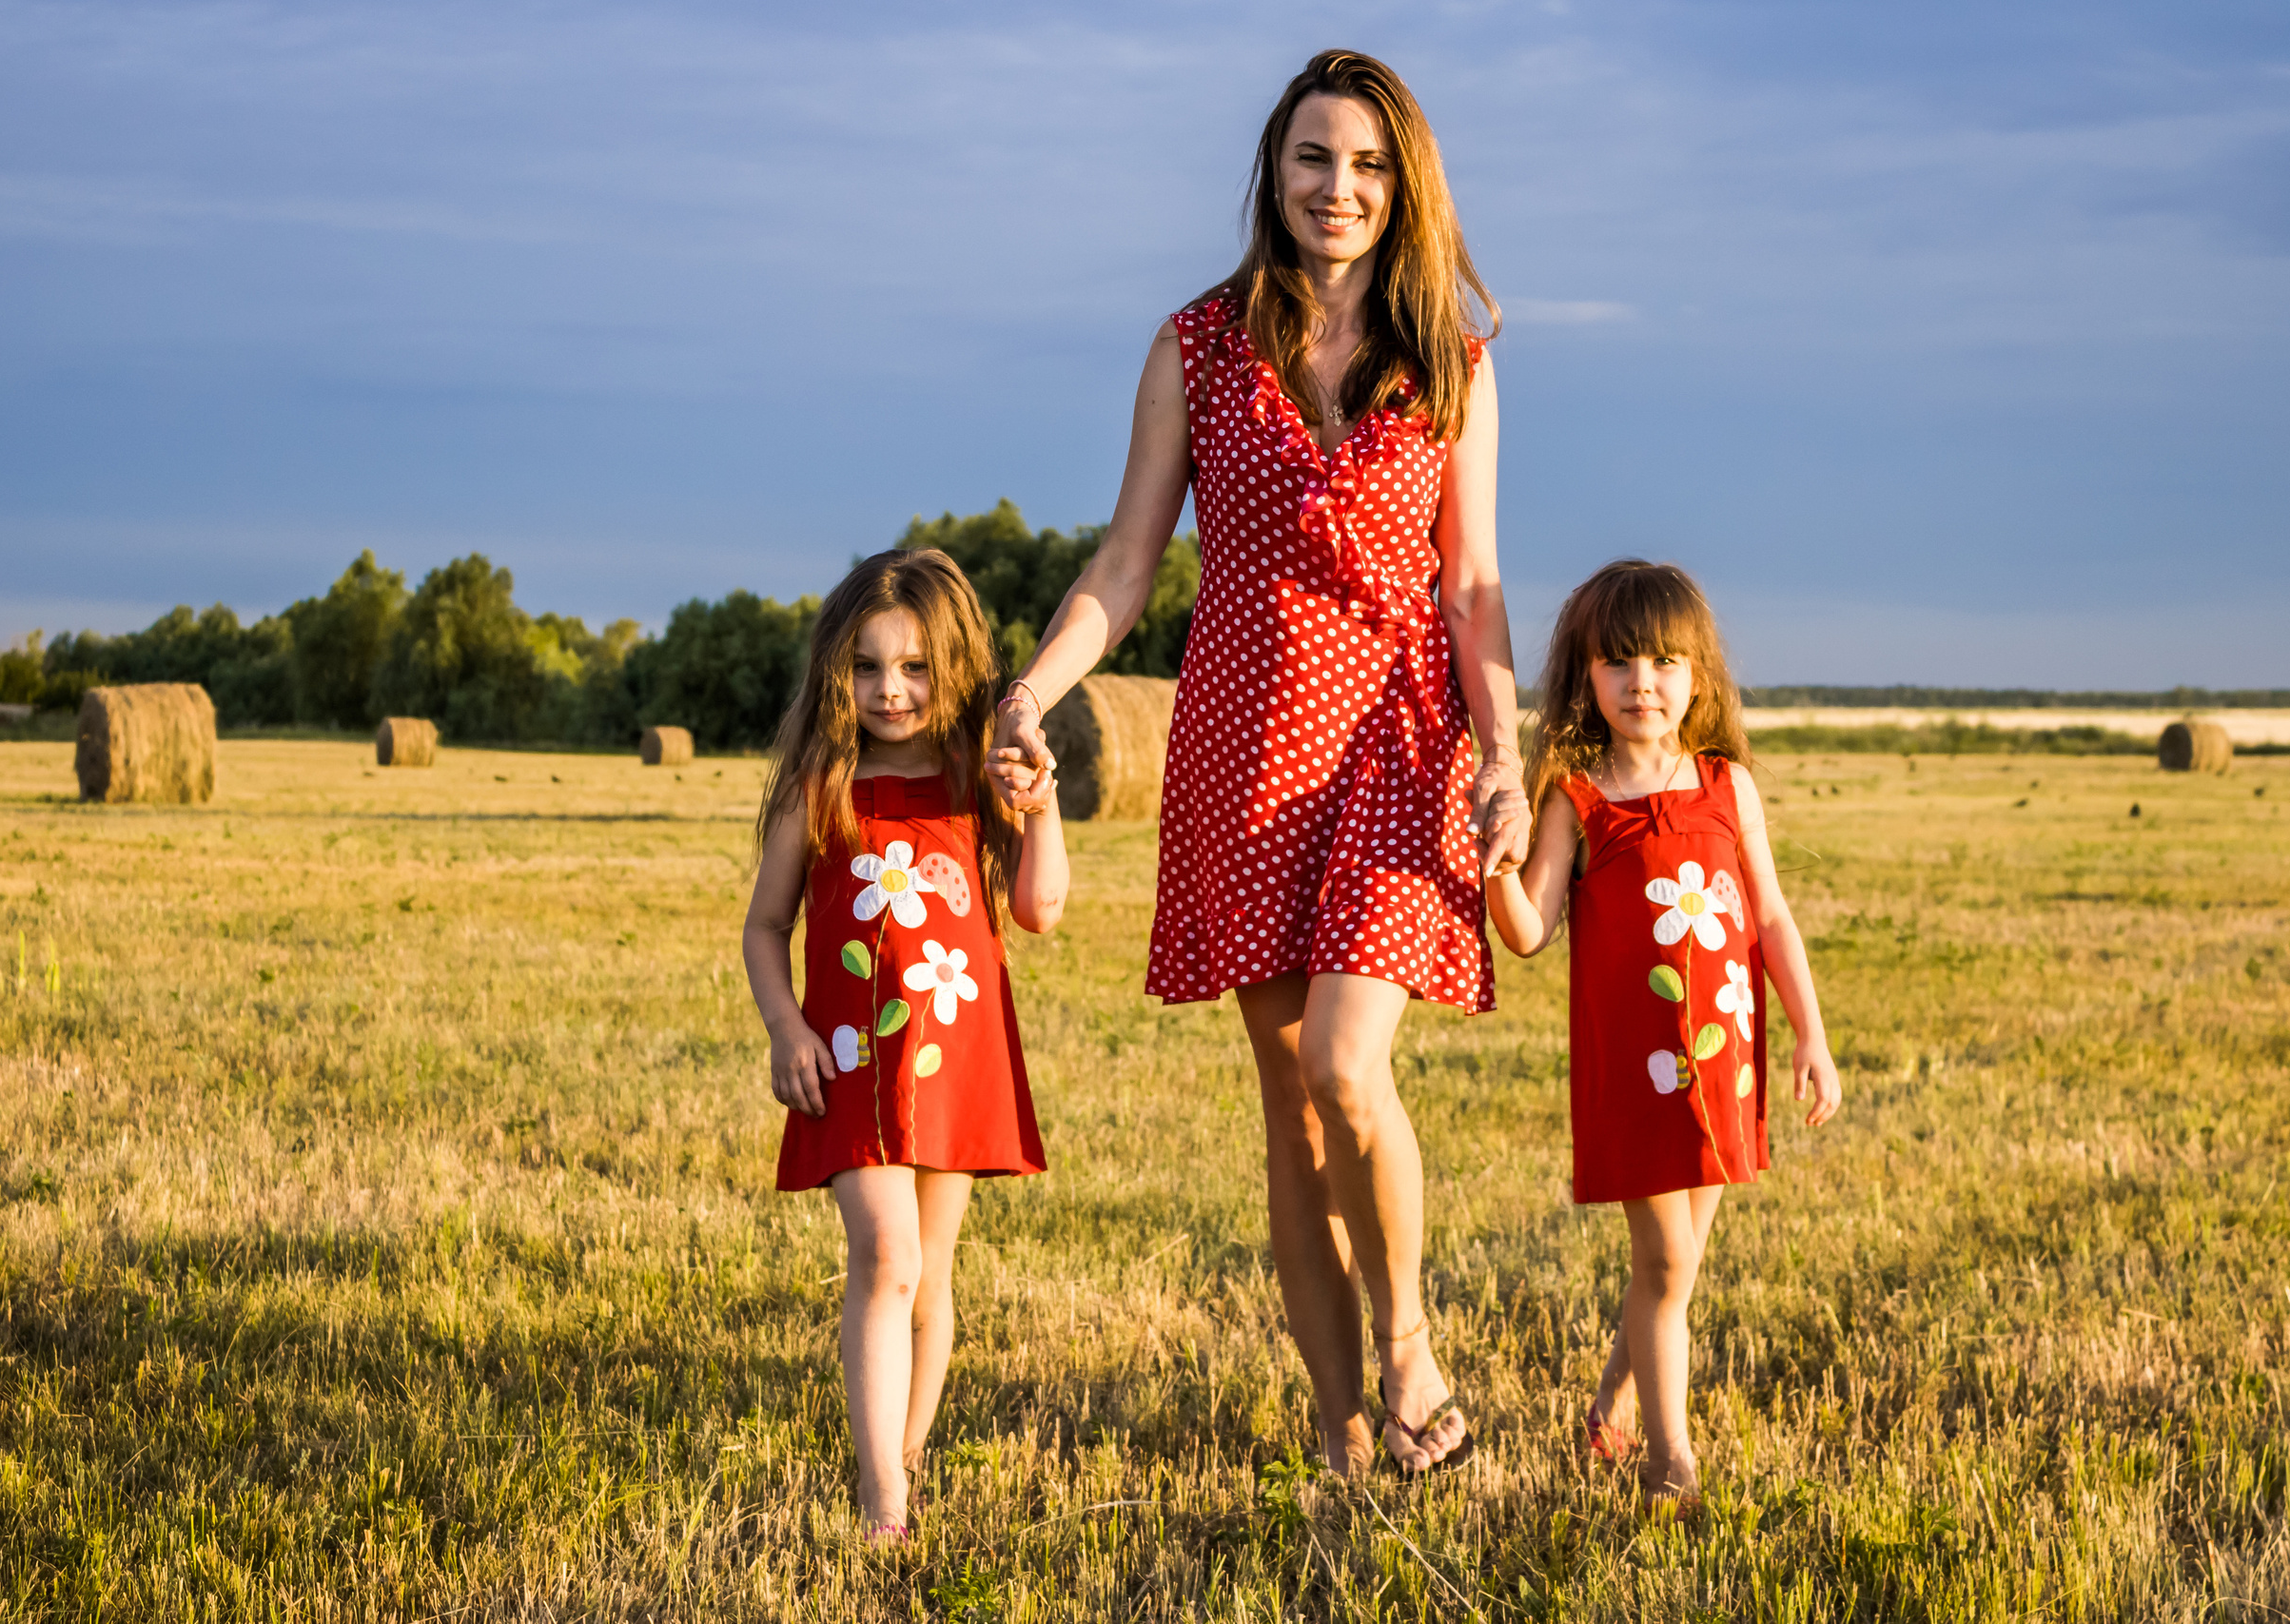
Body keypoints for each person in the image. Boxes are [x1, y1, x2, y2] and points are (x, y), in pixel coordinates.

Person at [986, 49, 1528, 1477]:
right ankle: (1343, 1429)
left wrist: (1508, 754)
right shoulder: (1198, 342)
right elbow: (1124, 562)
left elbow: (1474, 589)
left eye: (1364, 164)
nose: (1336, 188)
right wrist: (1031, 692)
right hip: (1244, 748)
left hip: (1401, 743)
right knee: (1291, 1109)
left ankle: (1408, 1341)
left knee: (1352, 1064)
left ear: (1402, 183)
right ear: (1272, 175)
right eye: (1311, 159)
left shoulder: (1453, 359)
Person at [1486, 558, 1842, 1511]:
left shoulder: (1728, 787)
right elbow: (1526, 933)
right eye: (1619, 663)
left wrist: (1809, 1036)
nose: (1643, 682)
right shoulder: (1576, 798)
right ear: (1585, 677)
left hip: (1722, 1061)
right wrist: (1493, 866)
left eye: (1664, 661)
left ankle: (1608, 1411)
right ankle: (1667, 1457)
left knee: (1671, 1271)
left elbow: (1769, 918)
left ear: (1698, 676)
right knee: (1668, 1262)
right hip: (1635, 1071)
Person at [743, 548, 1069, 1539]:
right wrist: (785, 1027)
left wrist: (1042, 804)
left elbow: (1039, 910)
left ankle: (909, 1454)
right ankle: (883, 1495)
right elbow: (765, 928)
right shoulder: (821, 784)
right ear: (837, 674)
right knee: (885, 1258)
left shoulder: (978, 781)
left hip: (956, 1057)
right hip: (846, 1057)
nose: (891, 689)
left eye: (915, 667)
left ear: (954, 667)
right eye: (868, 667)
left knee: (931, 1272)